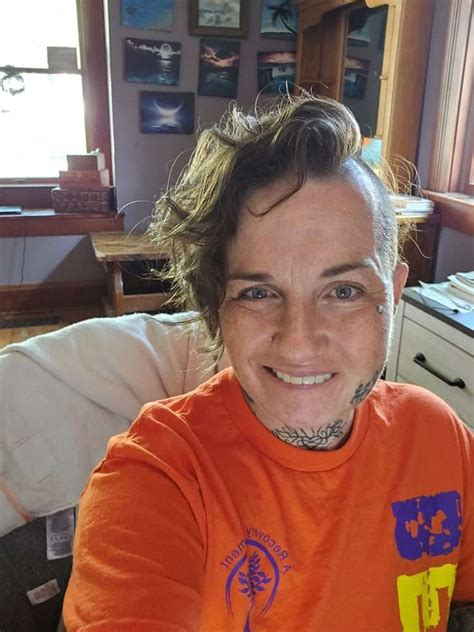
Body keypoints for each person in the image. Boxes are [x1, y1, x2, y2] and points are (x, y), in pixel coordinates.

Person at [63, 94, 473, 631]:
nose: (298, 343)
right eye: (258, 293)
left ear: (394, 294)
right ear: (217, 306)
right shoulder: (157, 478)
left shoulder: (438, 435)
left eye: (344, 290)